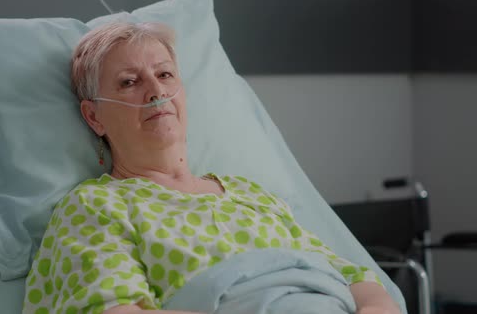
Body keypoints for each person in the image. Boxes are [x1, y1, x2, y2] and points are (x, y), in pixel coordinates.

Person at [22, 21, 401, 314]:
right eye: (129, 82)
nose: (156, 91)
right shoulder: (95, 207)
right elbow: (114, 309)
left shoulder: (251, 194)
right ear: (94, 117)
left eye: (165, 74)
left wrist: (377, 307)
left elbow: (352, 277)